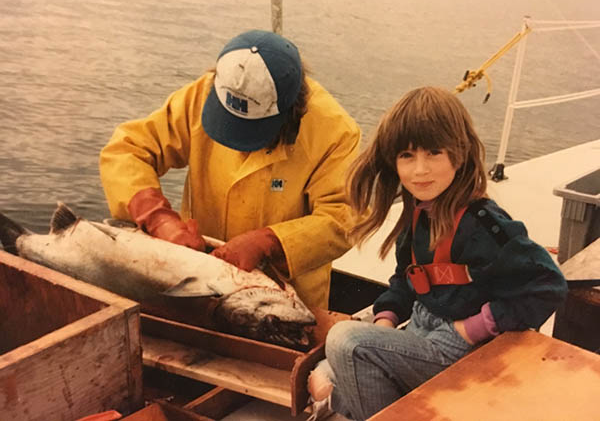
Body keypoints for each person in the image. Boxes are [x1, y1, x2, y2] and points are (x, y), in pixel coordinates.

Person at [306, 86, 568, 420]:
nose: (420, 170)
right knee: (326, 371)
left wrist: (475, 327)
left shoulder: (483, 226)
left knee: (345, 342)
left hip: (464, 347)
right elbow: (408, 279)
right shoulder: (419, 213)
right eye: (407, 156)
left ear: (458, 154)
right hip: (421, 328)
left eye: (433, 153)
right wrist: (386, 319)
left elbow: (548, 285)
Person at [99, 29, 361, 309]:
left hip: (281, 302)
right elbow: (127, 149)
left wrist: (269, 242)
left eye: (253, 132)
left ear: (292, 111)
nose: (241, 146)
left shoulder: (336, 132)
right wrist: (159, 219)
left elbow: (346, 218)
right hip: (192, 283)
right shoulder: (200, 94)